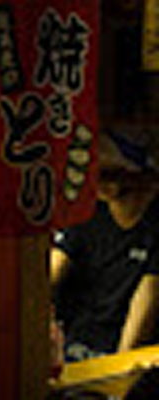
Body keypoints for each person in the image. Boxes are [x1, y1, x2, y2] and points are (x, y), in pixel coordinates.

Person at [50, 132, 159, 362]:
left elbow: (147, 299)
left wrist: (121, 365)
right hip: (76, 344)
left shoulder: (153, 223)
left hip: (132, 356)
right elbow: (52, 271)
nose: (98, 182)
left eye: (109, 173)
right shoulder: (87, 214)